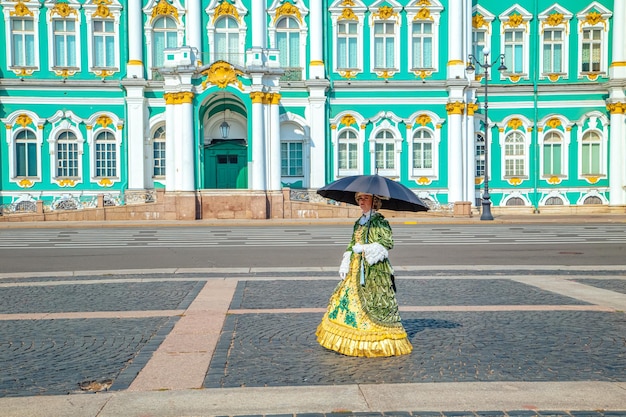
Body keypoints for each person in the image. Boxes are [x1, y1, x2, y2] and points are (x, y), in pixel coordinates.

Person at [316, 192, 412, 357]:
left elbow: (387, 243)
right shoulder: (359, 222)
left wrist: (366, 248)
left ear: (374, 201)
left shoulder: (379, 222)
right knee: (348, 300)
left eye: (365, 198)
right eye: (359, 199)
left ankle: (374, 339)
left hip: (373, 270)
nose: (361, 202)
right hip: (356, 267)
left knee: (373, 302)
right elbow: (352, 243)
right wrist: (346, 260)